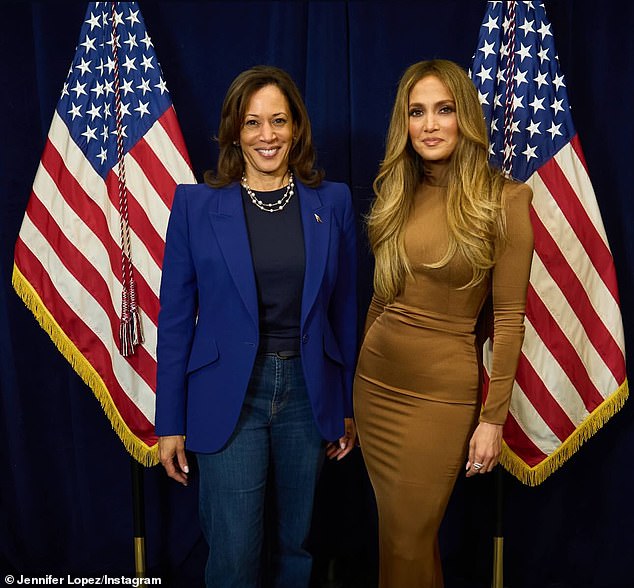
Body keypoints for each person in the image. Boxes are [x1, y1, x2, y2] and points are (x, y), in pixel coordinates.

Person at [155, 65, 358, 588]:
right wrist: (169, 421)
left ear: (296, 128)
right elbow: (175, 321)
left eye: (278, 121)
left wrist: (346, 407)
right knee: (234, 554)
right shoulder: (196, 205)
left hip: (307, 396)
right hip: (229, 395)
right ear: (234, 131)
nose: (267, 136)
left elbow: (343, 311)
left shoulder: (331, 202)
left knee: (298, 546)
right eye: (252, 123)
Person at [353, 59, 534, 588]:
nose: (430, 125)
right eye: (417, 112)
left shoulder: (506, 199)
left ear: (465, 118)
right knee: (399, 540)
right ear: (404, 124)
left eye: (444, 110)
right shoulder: (396, 191)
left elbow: (509, 318)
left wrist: (493, 419)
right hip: (374, 389)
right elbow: (378, 300)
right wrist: (351, 396)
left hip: (440, 401)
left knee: (409, 538)